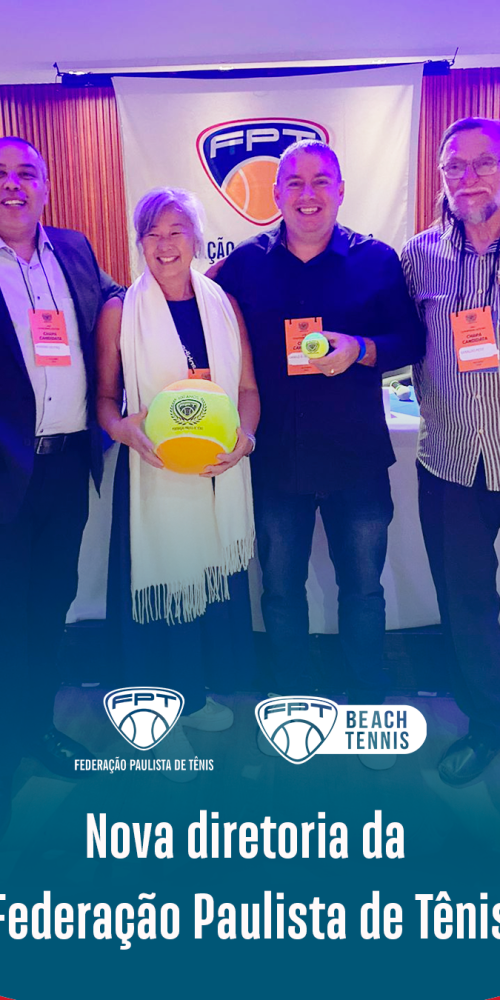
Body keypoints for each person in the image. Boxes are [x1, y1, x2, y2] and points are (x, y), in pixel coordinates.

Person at [213, 139, 423, 717]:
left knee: (364, 590)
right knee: (281, 593)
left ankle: (368, 704)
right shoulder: (245, 264)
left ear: (341, 191)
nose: (308, 194)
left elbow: (411, 340)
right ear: (276, 193)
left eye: (321, 181)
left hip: (357, 459)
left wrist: (360, 348)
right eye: (295, 182)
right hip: (276, 460)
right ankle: (292, 704)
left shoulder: (376, 259)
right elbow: (200, 312)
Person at [97, 187, 259, 768]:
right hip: (156, 475)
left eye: (176, 232)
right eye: (153, 234)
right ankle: (154, 718)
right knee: (164, 592)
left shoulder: (223, 303)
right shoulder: (121, 311)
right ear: (140, 242)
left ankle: (189, 698)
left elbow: (247, 390)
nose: (165, 245)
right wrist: (124, 431)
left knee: (202, 594)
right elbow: (106, 401)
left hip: (214, 473)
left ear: (195, 239)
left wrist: (245, 438)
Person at [0, 135, 125, 833]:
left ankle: (36, 728)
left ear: (46, 187)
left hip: (67, 464)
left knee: (49, 604)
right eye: (1, 174)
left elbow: (114, 299)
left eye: (26, 173)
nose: (13, 184)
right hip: (4, 469)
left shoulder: (73, 249)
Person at [402, 116, 500, 786]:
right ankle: (487, 724)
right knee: (466, 604)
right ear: (440, 177)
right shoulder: (418, 257)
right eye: (454, 166)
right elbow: (389, 333)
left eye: (484, 163)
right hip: (451, 463)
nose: (468, 177)